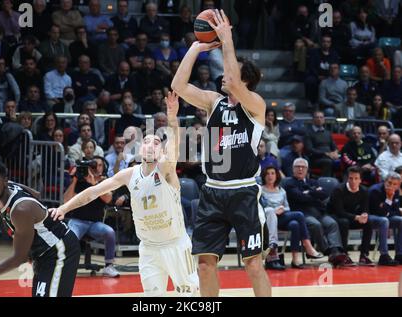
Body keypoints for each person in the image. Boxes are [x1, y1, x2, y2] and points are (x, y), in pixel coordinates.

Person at [51, 91, 199, 297]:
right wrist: (64, 208)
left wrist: (172, 116)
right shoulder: (129, 175)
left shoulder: (166, 169)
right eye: (146, 141)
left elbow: (174, 143)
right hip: (149, 249)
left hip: (175, 245)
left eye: (157, 142)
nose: (150, 144)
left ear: (162, 152)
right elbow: (93, 191)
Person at [171, 9, 271, 297]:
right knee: (204, 265)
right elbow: (178, 86)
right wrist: (195, 48)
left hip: (243, 193)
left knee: (253, 264)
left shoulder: (255, 105)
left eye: (233, 72)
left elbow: (236, 83)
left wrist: (227, 38)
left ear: (245, 80)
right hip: (212, 193)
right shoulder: (214, 102)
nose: (225, 75)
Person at [0, 161, 80, 297]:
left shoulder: (21, 209)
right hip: (42, 253)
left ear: (5, 181)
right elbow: (36, 194)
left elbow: (18, 258)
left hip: (60, 250)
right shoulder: (7, 189)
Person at [64, 156, 120, 277]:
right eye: (94, 165)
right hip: (77, 220)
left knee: (109, 232)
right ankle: (67, 266)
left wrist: (94, 184)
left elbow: (108, 199)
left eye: (99, 165)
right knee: (70, 236)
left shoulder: (105, 182)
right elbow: (66, 200)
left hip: (95, 224)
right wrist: (74, 180)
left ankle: (109, 266)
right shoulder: (79, 181)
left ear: (103, 167)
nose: (97, 168)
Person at [285, 158, 347, 266]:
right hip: (302, 213)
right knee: (315, 225)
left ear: (307, 169)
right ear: (293, 169)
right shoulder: (289, 183)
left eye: (303, 167)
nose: (300, 169)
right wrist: (313, 192)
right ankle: (328, 251)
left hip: (319, 212)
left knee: (332, 223)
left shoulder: (313, 181)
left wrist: (308, 192)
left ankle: (336, 250)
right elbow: (299, 197)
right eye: (297, 167)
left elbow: (324, 194)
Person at [261, 166, 323, 270]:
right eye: (267, 174)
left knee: (295, 224)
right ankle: (307, 246)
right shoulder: (261, 190)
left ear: (277, 176)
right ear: (264, 176)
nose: (270, 176)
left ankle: (295, 259)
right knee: (299, 215)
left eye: (272, 173)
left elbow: (287, 207)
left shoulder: (281, 191)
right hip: (268, 219)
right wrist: (274, 210)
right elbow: (260, 208)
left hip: (282, 217)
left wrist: (282, 209)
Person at [328, 166, 375, 266]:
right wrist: (357, 217)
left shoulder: (364, 191)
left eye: (356, 178)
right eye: (351, 178)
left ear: (360, 180)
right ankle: (344, 255)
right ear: (347, 178)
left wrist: (364, 215)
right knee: (344, 222)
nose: (353, 181)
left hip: (352, 217)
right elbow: (339, 212)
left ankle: (364, 256)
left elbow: (365, 209)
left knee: (368, 222)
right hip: (336, 217)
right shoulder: (338, 190)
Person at [368, 172, 402, 266]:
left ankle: (399, 254)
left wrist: (388, 209)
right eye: (389, 183)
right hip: (370, 217)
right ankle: (384, 256)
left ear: (398, 185)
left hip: (385, 217)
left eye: (395, 184)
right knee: (384, 221)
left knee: (400, 220)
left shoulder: (396, 191)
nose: (391, 186)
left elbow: (395, 211)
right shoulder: (375, 191)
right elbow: (380, 213)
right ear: (384, 181)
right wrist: (389, 199)